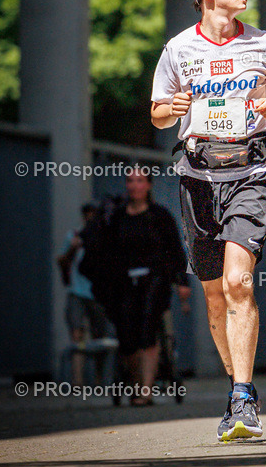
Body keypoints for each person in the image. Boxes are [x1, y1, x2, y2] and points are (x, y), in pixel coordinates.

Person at [150, 0, 266, 442]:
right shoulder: (178, 48)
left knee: (239, 282)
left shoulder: (263, 42)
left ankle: (242, 396)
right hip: (197, 177)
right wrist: (170, 109)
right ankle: (238, 390)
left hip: (251, 172)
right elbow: (157, 112)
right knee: (215, 294)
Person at [81, 170, 191, 405]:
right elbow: (103, 249)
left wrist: (182, 282)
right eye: (130, 180)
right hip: (125, 280)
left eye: (140, 180)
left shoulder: (159, 215)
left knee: (148, 328)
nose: (134, 185)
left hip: (155, 278)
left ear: (148, 185)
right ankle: (136, 381)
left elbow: (175, 249)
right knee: (127, 335)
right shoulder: (117, 217)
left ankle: (146, 390)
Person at [57, 202, 110, 386]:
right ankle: (77, 381)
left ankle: (99, 380)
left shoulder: (104, 235)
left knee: (100, 337)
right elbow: (61, 261)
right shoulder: (74, 236)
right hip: (77, 291)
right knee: (77, 335)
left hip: (97, 293)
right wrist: (73, 248)